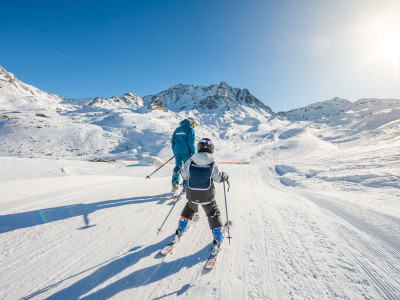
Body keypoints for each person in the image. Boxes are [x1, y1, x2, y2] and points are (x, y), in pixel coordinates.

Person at [171, 138, 229, 253]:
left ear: (198, 148)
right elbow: (218, 178)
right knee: (212, 212)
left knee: (189, 208)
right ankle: (218, 236)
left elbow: (184, 174)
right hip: (207, 197)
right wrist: (224, 176)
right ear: (211, 149)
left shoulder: (192, 160)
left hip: (192, 195)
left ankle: (180, 229)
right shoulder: (212, 161)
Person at [171, 117, 197, 192]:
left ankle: (174, 182)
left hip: (177, 152)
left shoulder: (177, 129)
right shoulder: (190, 129)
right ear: (190, 122)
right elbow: (191, 143)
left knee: (177, 167)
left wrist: (175, 151)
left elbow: (173, 142)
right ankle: (185, 185)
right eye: (194, 124)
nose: (194, 126)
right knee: (187, 168)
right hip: (186, 153)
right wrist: (194, 153)